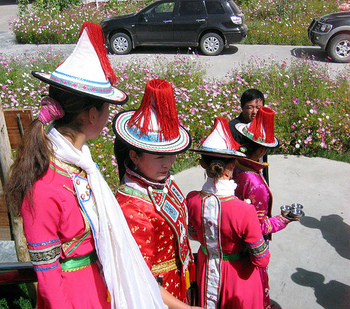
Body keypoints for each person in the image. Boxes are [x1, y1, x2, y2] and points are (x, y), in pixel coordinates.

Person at [5, 22, 167, 309]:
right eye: (105, 107)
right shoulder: (45, 183)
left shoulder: (80, 165)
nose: (107, 115)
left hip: (97, 284)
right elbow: (49, 276)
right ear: (92, 115)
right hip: (75, 295)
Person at [113, 78, 202, 309]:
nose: (169, 162)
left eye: (171, 154)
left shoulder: (163, 182)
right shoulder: (131, 208)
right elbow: (140, 277)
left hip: (181, 282)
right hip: (159, 295)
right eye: (160, 156)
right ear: (134, 156)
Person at [186, 117, 270, 309]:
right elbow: (262, 259)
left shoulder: (191, 199)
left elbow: (193, 234)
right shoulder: (245, 210)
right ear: (233, 165)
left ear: (202, 164)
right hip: (238, 279)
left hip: (206, 270)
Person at [233, 106, 297, 309]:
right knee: (256, 287)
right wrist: (284, 219)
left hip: (234, 237)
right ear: (261, 150)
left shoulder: (235, 167)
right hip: (251, 246)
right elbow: (258, 227)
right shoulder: (256, 184)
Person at [228, 88, 269, 183]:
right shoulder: (233, 128)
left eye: (258, 108)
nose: (255, 112)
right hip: (239, 179)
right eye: (250, 107)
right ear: (242, 107)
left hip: (259, 177)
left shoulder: (263, 126)